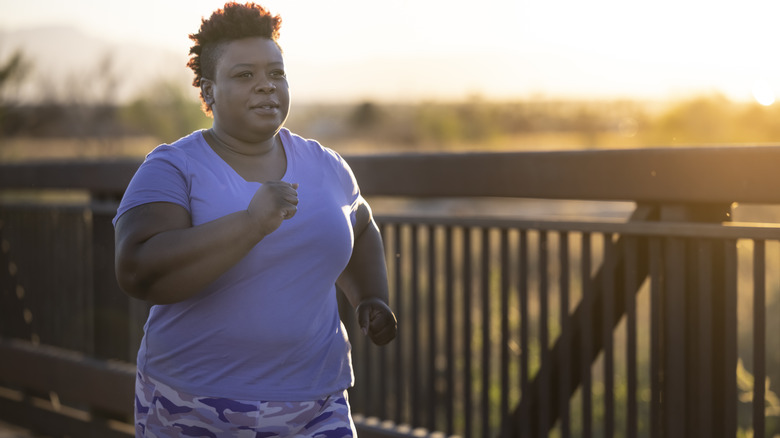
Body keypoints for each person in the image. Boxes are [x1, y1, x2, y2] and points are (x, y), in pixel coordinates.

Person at [113, 2, 397, 437]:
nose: (265, 86)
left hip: (316, 401)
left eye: (276, 74)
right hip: (194, 402)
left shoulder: (326, 165)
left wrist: (371, 297)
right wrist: (250, 224)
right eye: (245, 75)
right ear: (207, 92)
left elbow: (359, 225)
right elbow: (136, 269)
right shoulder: (172, 167)